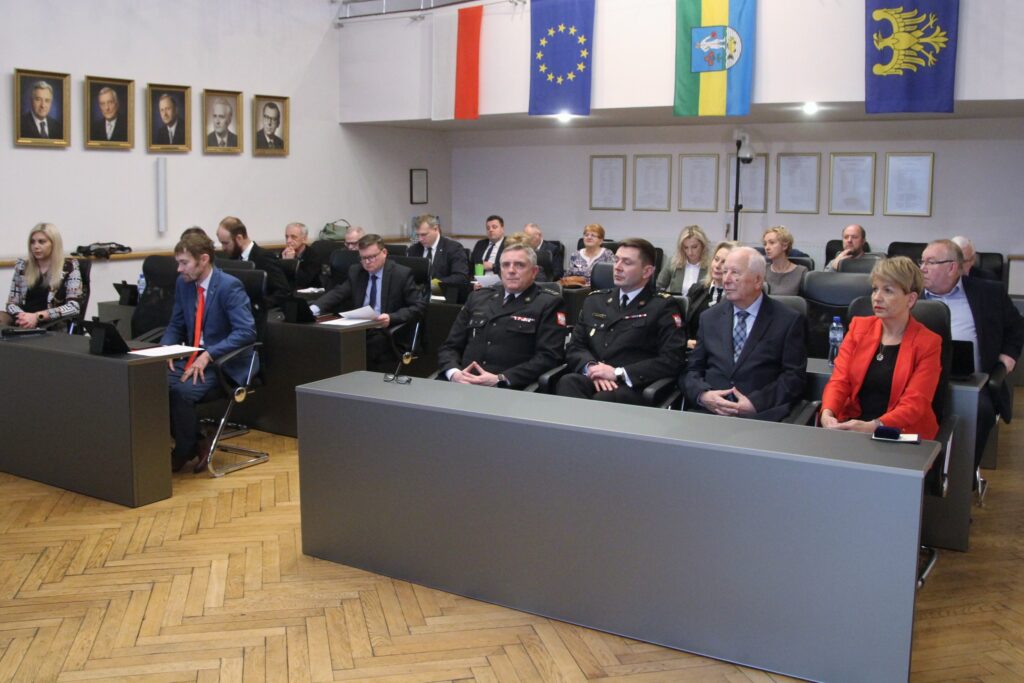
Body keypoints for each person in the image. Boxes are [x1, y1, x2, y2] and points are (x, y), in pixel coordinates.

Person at [921, 239, 1023, 471]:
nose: (922, 268)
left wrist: (1008, 357)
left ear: (952, 267)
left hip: (972, 382)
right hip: (919, 379)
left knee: (981, 413)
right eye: (922, 261)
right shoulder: (910, 294)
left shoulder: (989, 292)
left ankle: (960, 478)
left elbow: (1016, 327)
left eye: (930, 262)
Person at [160, 233, 257, 473]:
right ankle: (197, 442)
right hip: (194, 355)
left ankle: (183, 450)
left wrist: (209, 355)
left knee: (182, 391)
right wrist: (166, 349)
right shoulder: (184, 284)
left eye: (184, 263)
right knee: (152, 384)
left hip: (224, 361)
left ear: (203, 260)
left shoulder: (229, 286)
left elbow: (246, 332)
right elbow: (176, 324)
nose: (179, 269)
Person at [820, 257, 942, 438]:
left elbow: (915, 403)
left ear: (910, 299)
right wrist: (828, 412)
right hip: (853, 426)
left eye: (888, 290)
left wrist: (875, 426)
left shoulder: (928, 343)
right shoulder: (859, 328)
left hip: (899, 433)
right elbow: (840, 380)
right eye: (875, 289)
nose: (877, 297)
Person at [683, 246, 807, 421]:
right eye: (725, 272)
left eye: (735, 273)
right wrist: (703, 395)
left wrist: (756, 403)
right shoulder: (709, 318)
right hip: (710, 414)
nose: (726, 280)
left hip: (761, 416)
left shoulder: (788, 320)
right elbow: (692, 369)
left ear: (758, 280)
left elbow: (794, 378)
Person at [556, 238, 685, 404]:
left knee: (604, 399)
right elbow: (575, 346)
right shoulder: (595, 300)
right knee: (568, 382)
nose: (617, 267)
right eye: (616, 260)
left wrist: (618, 373)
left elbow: (672, 359)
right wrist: (592, 368)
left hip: (634, 383)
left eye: (627, 262)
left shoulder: (663, 306)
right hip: (595, 376)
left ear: (647, 271)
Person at [438, 244, 566, 388]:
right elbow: (450, 346)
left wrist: (502, 379)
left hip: (507, 388)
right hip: (461, 382)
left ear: (534, 271)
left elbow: (548, 357)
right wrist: (454, 373)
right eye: (506, 265)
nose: (511, 270)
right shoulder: (478, 297)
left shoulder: (548, 303)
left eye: (519, 265)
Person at [310, 234, 427, 370]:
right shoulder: (356, 271)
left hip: (387, 330)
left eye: (371, 257)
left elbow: (418, 307)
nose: (367, 262)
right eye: (363, 258)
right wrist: (313, 308)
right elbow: (338, 293)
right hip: (360, 327)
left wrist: (391, 317)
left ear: (384, 252)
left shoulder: (401, 274)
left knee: (365, 346)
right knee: (331, 339)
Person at [4, 223, 83, 329]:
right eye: (32, 242)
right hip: (23, 321)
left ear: (54, 244)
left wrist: (37, 316)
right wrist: (23, 316)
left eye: (41, 242)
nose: (36, 246)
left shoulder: (70, 267)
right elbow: (12, 303)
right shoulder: (22, 266)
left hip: (51, 323)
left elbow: (74, 307)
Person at [215, 216, 290, 308]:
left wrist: (257, 307)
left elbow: (283, 291)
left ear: (239, 238)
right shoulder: (233, 259)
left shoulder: (264, 257)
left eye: (225, 243)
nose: (223, 248)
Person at [684, 241, 737, 349]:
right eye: (716, 259)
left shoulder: (737, 296)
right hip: (693, 350)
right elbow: (684, 325)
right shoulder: (697, 289)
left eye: (724, 262)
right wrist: (686, 341)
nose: (717, 266)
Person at [408, 215, 470, 292]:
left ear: (436, 229)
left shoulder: (453, 248)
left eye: (424, 235)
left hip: (443, 294)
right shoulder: (413, 249)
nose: (420, 239)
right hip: (417, 295)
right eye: (418, 235)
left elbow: (461, 277)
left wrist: (433, 285)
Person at [657, 225, 709, 294]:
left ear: (703, 245)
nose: (690, 252)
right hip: (677, 301)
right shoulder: (673, 262)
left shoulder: (711, 265)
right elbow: (658, 287)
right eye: (686, 248)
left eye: (694, 247)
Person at [762, 226, 807, 295]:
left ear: (784, 246)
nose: (767, 247)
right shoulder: (762, 270)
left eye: (772, 243)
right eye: (765, 244)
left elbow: (804, 300)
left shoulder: (801, 272)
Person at [280, 222, 322, 290]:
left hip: (308, 292)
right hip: (287, 291)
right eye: (287, 237)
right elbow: (278, 279)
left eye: (293, 237)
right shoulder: (284, 253)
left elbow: (303, 282)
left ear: (304, 239)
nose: (288, 241)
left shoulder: (313, 256)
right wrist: (283, 262)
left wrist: (290, 262)